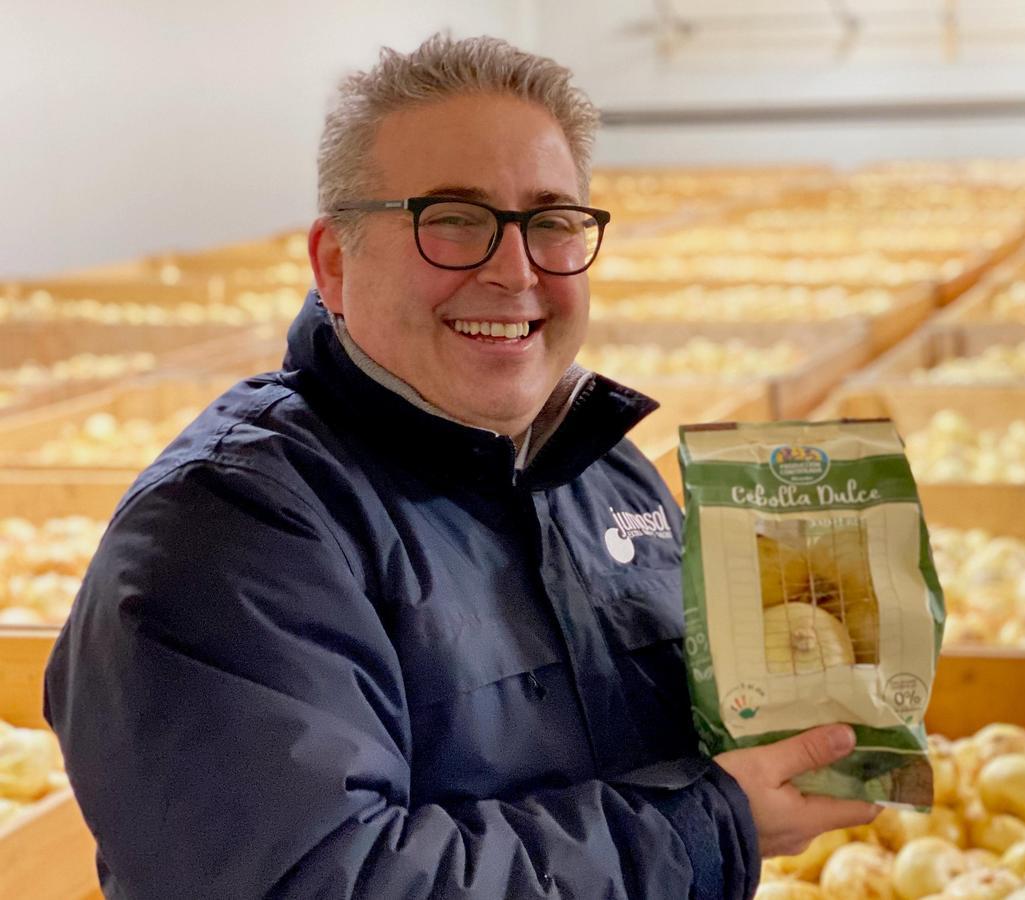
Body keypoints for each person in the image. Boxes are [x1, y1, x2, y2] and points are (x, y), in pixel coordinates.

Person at [44, 33, 877, 898]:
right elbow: (326, 883)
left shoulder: (602, 471)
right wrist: (713, 826)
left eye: (551, 222)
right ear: (336, 262)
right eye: (453, 222)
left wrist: (818, 704)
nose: (514, 271)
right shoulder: (230, 532)